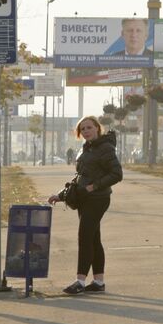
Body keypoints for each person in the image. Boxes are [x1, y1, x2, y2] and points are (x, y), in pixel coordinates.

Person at [48, 116, 122, 295]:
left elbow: (117, 174)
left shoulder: (105, 148)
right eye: (83, 129)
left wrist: (94, 186)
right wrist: (61, 195)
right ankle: (98, 282)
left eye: (89, 127)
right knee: (94, 239)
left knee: (85, 237)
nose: (86, 131)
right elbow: (80, 177)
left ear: (98, 128)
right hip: (84, 199)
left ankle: (80, 281)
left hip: (98, 198)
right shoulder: (86, 148)